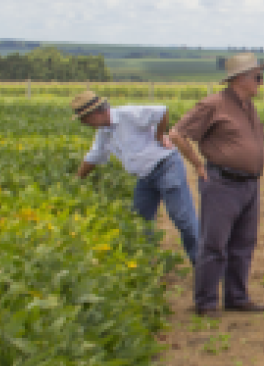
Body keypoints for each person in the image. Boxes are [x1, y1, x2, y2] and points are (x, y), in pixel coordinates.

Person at [170, 53, 264, 319]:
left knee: (243, 244)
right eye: (258, 76)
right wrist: (197, 164)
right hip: (223, 183)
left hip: (249, 184)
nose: (262, 81)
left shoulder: (248, 106)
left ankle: (236, 297)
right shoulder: (213, 104)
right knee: (214, 245)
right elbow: (177, 133)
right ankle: (206, 302)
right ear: (240, 79)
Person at [73, 90, 199, 265]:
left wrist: (159, 135)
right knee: (141, 222)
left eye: (84, 119)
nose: (84, 123)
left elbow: (162, 111)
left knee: (183, 219)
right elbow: (93, 156)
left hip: (166, 167)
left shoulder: (127, 114)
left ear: (96, 113)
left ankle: (203, 265)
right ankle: (146, 268)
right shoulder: (104, 132)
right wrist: (76, 180)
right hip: (145, 177)